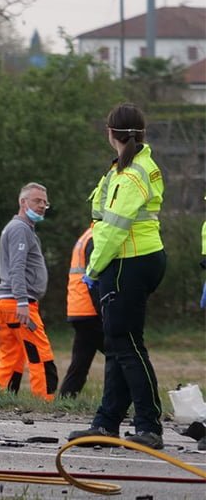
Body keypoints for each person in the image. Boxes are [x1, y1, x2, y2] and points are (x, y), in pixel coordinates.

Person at [70, 103, 167, 449]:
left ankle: (149, 424)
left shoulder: (130, 174)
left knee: (126, 346)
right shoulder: (129, 168)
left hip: (128, 260)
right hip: (136, 259)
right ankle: (106, 422)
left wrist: (93, 269)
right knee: (117, 344)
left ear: (111, 133)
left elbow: (113, 229)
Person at [0, 183, 59, 401]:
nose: (42, 206)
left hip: (4, 304)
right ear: (23, 202)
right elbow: (17, 267)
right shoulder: (20, 228)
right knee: (40, 353)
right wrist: (22, 301)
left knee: (10, 356)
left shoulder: (16, 228)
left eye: (44, 202)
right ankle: (44, 400)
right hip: (18, 304)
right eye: (37, 201)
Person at [60, 226, 103, 398]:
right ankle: (123, 401)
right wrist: (103, 311)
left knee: (80, 362)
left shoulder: (87, 235)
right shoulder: (96, 237)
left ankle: (66, 398)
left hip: (78, 309)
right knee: (120, 354)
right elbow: (93, 278)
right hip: (89, 309)